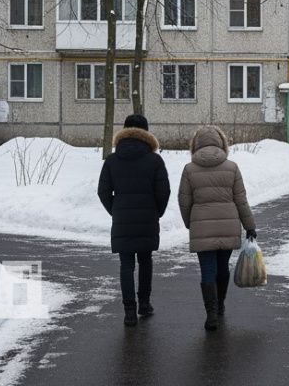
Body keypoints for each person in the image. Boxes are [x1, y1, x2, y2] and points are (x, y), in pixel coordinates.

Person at [178, 125, 256, 331]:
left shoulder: (189, 169)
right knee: (222, 267)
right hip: (228, 225)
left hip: (201, 228)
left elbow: (184, 201)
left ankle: (211, 314)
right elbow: (241, 199)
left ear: (195, 145)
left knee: (207, 270)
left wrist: (191, 223)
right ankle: (220, 304)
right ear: (222, 143)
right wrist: (250, 225)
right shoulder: (232, 167)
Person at [98, 114, 171, 327]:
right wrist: (156, 212)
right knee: (145, 260)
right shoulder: (155, 160)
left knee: (126, 264)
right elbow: (163, 191)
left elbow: (103, 191)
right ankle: (144, 304)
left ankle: (129, 311)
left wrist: (116, 210)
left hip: (122, 218)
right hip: (148, 217)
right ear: (146, 133)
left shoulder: (112, 160)